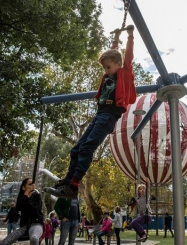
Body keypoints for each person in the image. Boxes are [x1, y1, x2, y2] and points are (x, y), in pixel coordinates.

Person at [44, 26, 136, 199]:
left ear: (118, 65)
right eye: (104, 68)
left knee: (87, 147)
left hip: (109, 116)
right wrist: (116, 37)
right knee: (76, 149)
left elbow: (127, 57)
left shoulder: (124, 73)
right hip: (100, 115)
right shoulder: (109, 73)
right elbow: (113, 52)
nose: (106, 71)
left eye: (108, 67)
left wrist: (130, 36)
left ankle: (74, 186)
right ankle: (68, 180)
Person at [0, 178, 44, 245]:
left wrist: (28, 199)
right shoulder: (22, 197)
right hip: (25, 226)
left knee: (34, 238)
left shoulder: (37, 195)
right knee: (4, 242)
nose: (32, 185)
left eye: (32, 184)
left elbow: (34, 210)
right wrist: (26, 196)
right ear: (23, 187)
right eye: (29, 184)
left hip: (36, 223)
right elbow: (18, 207)